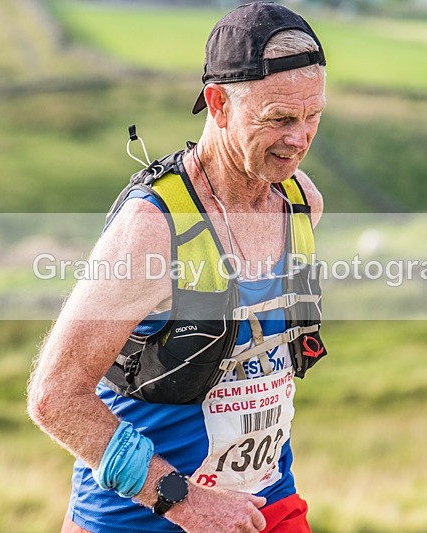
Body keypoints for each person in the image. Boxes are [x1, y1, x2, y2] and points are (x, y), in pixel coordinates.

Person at [28, 3, 328, 532]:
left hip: (265, 508)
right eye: (280, 118)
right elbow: (54, 398)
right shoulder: (153, 228)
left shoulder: (302, 203)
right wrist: (184, 501)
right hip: (142, 519)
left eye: (313, 117)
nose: (299, 139)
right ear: (218, 104)